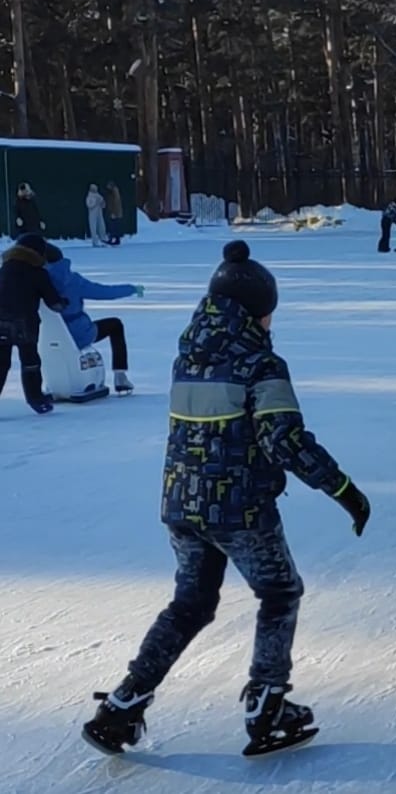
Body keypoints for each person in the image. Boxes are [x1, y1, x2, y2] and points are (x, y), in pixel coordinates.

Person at [82, 240, 372, 757]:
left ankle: (122, 707)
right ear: (255, 313)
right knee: (280, 593)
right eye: (267, 315)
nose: (269, 324)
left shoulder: (187, 357)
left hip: (182, 506)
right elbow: (283, 439)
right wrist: (343, 490)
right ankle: (267, 704)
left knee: (190, 604)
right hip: (240, 508)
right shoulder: (262, 365)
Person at [44, 245, 144, 394]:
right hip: (78, 334)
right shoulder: (73, 281)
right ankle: (120, 376)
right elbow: (104, 292)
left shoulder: (36, 281)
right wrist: (131, 289)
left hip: (48, 335)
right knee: (115, 325)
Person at [0, 234, 67, 414]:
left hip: (1, 321)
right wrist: (64, 301)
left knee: (1, 363)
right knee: (30, 361)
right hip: (25, 323)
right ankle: (36, 399)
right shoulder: (38, 273)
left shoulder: (4, 269)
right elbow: (55, 303)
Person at [104, 181, 123, 245]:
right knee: (115, 226)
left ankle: (112, 239)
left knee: (113, 226)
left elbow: (116, 202)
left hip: (115, 212)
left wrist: (114, 212)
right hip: (115, 212)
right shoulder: (113, 192)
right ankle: (116, 239)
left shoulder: (114, 192)